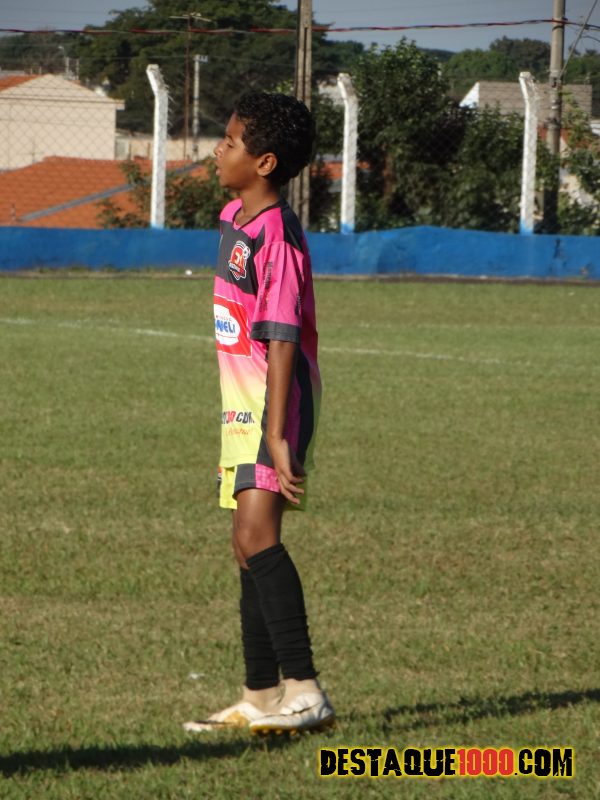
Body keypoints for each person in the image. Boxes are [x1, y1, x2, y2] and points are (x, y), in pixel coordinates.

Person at [184, 91, 334, 735]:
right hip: (243, 405)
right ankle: (261, 696)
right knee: (244, 544)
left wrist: (275, 432)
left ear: (265, 161)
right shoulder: (233, 218)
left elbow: (281, 337)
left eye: (231, 141)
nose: (219, 149)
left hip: (277, 403)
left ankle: (305, 690)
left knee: (258, 538)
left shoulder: (278, 235)